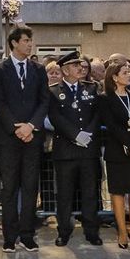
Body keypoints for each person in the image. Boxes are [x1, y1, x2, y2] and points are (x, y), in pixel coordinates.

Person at [0, 25, 50, 253]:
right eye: (25, 40)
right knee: (9, 188)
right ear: (14, 43)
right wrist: (16, 128)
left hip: (32, 137)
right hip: (9, 137)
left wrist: (31, 126)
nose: (29, 44)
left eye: (30, 40)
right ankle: (9, 235)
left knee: (30, 186)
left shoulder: (38, 69)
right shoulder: (0, 69)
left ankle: (27, 234)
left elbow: (44, 100)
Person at [47, 51, 102, 248]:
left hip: (88, 150)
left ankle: (91, 231)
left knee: (89, 193)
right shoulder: (53, 91)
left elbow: (97, 114)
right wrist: (75, 135)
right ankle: (64, 231)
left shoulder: (92, 88)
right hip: (66, 151)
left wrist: (88, 134)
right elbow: (55, 117)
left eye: (80, 64)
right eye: (75, 65)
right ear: (64, 70)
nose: (80, 68)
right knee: (64, 194)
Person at [96, 60, 130, 249]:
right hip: (117, 151)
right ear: (114, 77)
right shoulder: (104, 98)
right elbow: (112, 125)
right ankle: (122, 232)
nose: (129, 75)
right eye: (125, 72)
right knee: (118, 193)